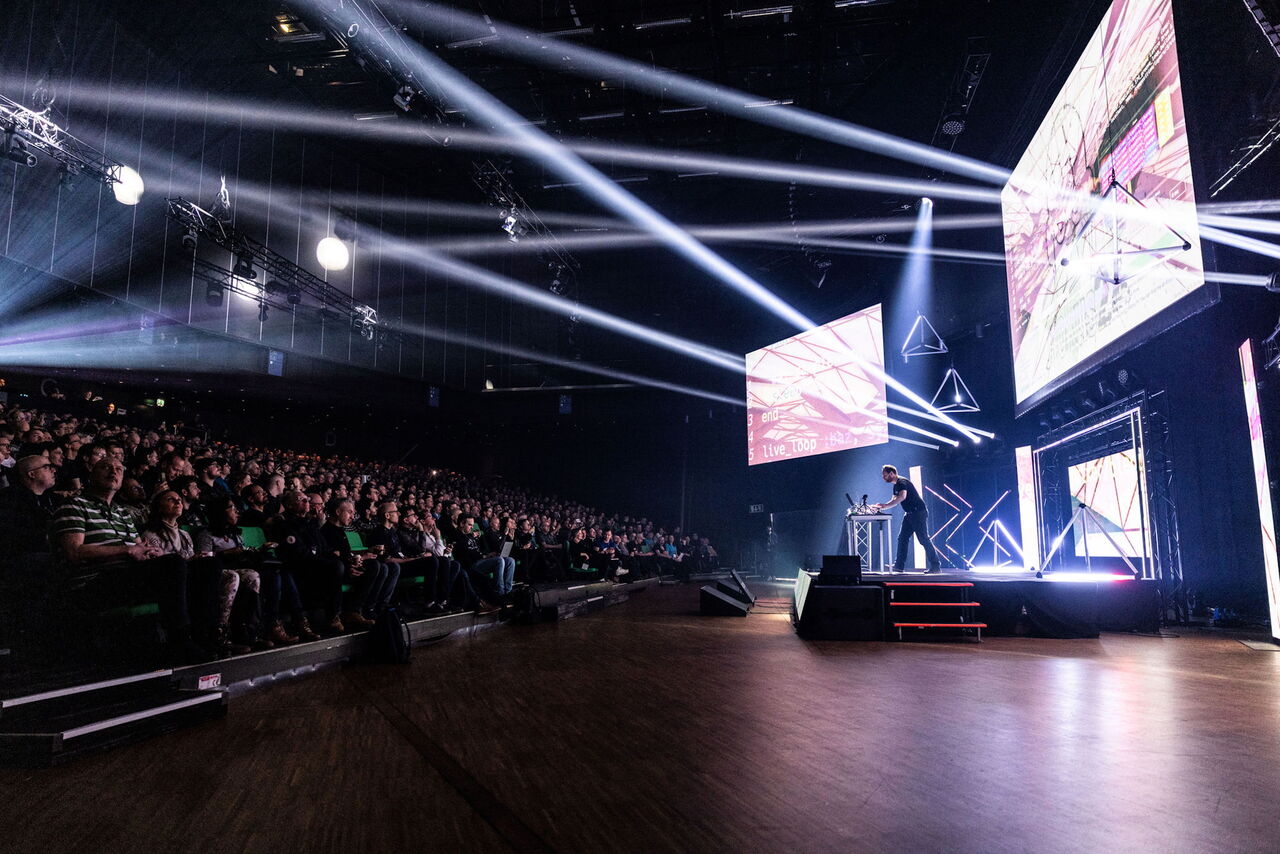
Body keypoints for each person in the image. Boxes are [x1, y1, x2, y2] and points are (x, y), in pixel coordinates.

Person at [871, 464, 941, 573]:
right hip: (909, 514)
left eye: (885, 475)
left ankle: (936, 566)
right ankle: (899, 566)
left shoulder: (902, 482)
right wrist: (883, 506)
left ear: (892, 473)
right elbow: (894, 499)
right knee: (902, 538)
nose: (883, 478)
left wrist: (885, 506)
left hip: (917, 512)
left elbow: (902, 496)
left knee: (923, 539)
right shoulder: (896, 485)